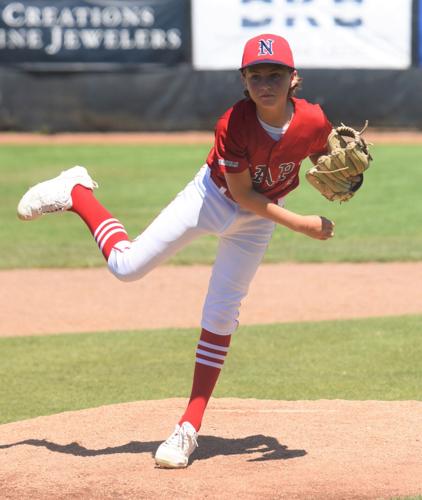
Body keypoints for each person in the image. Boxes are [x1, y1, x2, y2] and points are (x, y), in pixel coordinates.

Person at [17, 33, 335, 469]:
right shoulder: (234, 123)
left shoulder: (315, 120)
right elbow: (243, 195)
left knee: (221, 312)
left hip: (258, 222)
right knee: (126, 267)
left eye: (275, 74)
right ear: (244, 81)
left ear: (293, 78)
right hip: (212, 199)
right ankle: (76, 191)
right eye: (256, 75)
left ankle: (188, 427)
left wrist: (346, 175)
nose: (265, 83)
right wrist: (301, 223)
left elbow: (325, 154)